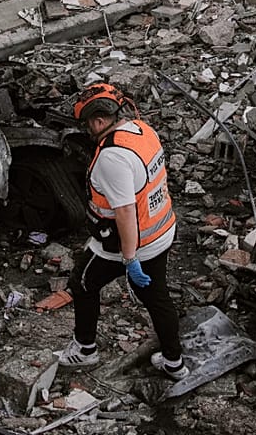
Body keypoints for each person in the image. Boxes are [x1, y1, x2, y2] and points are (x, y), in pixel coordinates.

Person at [55, 83, 186, 380]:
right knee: (157, 298)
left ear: (99, 120)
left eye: (88, 124)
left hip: (127, 244)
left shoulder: (111, 158)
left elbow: (125, 211)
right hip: (161, 230)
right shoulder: (142, 131)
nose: (87, 130)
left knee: (83, 283)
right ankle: (174, 362)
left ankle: (85, 349)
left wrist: (129, 259)